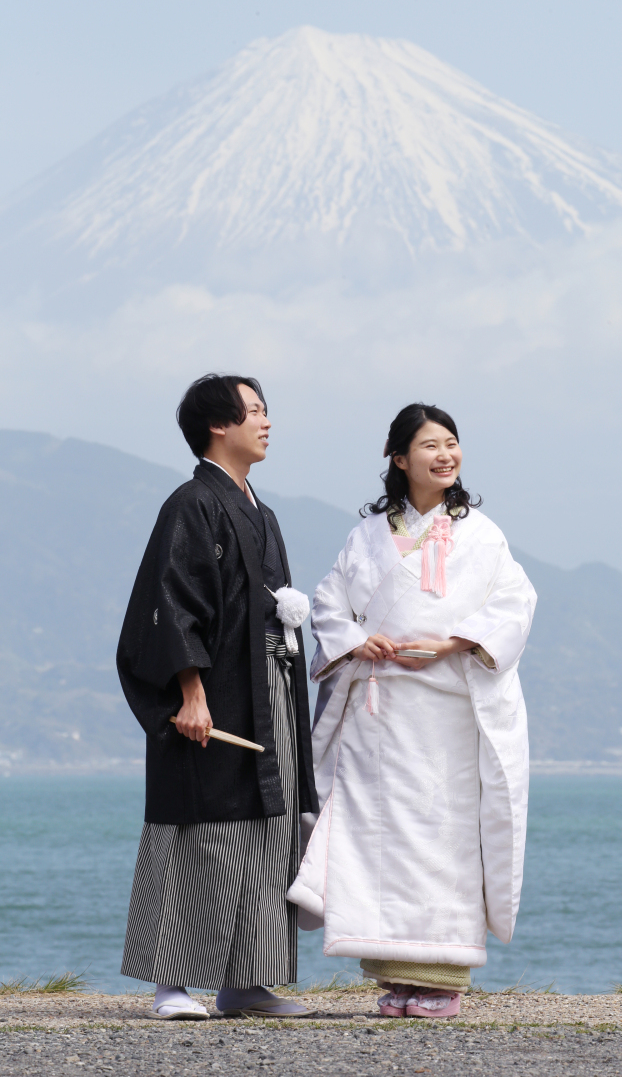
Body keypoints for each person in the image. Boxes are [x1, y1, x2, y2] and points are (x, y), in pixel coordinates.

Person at [288, 403, 536, 1019]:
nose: (445, 455)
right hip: (381, 709)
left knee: (443, 835)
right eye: (430, 445)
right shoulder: (367, 535)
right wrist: (354, 640)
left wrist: (455, 642)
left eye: (451, 443)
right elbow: (328, 601)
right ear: (398, 458)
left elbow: (514, 601)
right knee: (382, 838)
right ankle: (396, 976)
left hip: (448, 706)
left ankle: (443, 980)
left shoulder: (482, 533)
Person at [117, 374, 318, 1020]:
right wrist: (190, 694)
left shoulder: (262, 511)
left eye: (265, 409)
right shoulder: (192, 504)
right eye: (253, 410)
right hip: (214, 690)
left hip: (267, 689)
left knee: (269, 830)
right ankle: (171, 982)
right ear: (217, 426)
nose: (266, 421)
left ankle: (246, 983)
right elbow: (171, 604)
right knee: (199, 830)